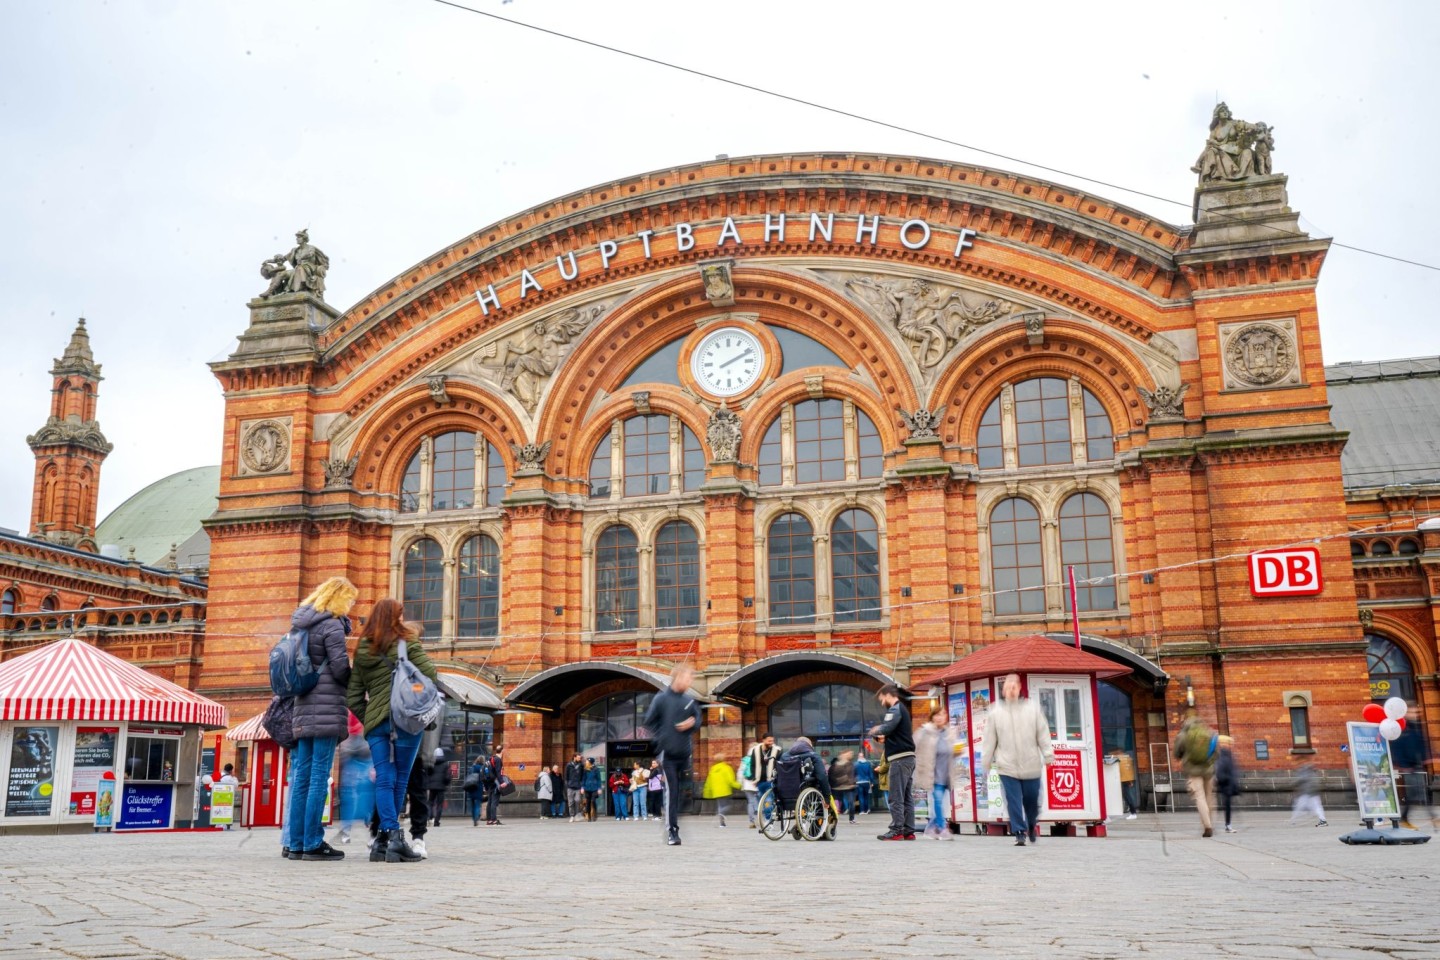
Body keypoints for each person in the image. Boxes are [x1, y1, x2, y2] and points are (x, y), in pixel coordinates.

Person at [345, 596, 438, 863]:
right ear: (396, 617)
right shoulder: (407, 640)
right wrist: (415, 694)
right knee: (400, 779)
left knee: (385, 778)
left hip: (378, 725)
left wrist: (372, 717)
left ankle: (383, 841)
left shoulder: (363, 649)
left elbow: (353, 697)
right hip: (407, 722)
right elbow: (429, 675)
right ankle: (394, 838)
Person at [287, 576, 357, 862]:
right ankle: (313, 842)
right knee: (318, 777)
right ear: (339, 598)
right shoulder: (331, 625)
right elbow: (340, 667)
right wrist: (355, 683)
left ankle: (296, 843)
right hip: (326, 707)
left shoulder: (300, 624)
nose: (351, 605)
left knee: (301, 777)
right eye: (350, 599)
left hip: (302, 705)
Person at [982, 674, 1054, 847]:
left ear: (1020, 687)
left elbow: (1042, 733)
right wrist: (986, 761)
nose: (1011, 689)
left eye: (1014, 685)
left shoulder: (1032, 708)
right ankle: (1019, 832)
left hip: (1031, 764)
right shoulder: (995, 711)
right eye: (1008, 686)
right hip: (1007, 765)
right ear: (1004, 689)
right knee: (1013, 800)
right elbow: (989, 739)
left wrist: (1048, 754)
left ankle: (1031, 823)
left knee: (1031, 800)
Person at [641, 663, 702, 846]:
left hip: (685, 754)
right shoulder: (661, 699)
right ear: (677, 678)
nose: (689, 681)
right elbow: (649, 722)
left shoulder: (688, 700)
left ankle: (671, 819)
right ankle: (672, 831)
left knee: (682, 795)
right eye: (687, 678)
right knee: (672, 792)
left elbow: (698, 719)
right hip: (668, 755)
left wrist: (692, 724)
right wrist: (663, 738)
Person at [869, 684, 916, 841]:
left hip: (900, 759)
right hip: (909, 758)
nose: (882, 703)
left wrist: (876, 730)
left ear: (887, 695)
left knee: (896, 796)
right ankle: (908, 830)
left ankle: (896, 830)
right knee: (906, 797)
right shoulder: (903, 710)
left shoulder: (895, 709)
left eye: (882, 699)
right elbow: (894, 733)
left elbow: (887, 727)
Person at [1173, 709, 1219, 838]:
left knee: (1200, 798)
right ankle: (1211, 823)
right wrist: (1209, 761)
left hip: (1193, 771)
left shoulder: (1183, 734)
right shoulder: (1208, 732)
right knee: (1210, 797)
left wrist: (1184, 756)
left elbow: (1177, 753)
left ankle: (1207, 826)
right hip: (1208, 770)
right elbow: (1217, 753)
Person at [916, 709, 956, 840]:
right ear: (932, 717)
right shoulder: (925, 732)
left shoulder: (949, 733)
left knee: (940, 804)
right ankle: (942, 828)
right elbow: (915, 748)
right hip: (932, 774)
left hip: (946, 775)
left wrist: (958, 751)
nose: (940, 717)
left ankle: (929, 829)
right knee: (938, 802)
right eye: (937, 715)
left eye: (943, 715)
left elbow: (952, 751)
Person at [333, 715, 373, 845]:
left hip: (356, 748)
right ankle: (370, 827)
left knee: (352, 793)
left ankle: (347, 831)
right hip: (364, 748)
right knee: (365, 791)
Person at [1392, 706, 1434, 829]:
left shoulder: (1416, 729)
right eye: (1412, 712)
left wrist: (1427, 758)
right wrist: (1403, 765)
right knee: (1413, 795)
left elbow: (1422, 745)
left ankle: (1432, 816)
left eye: (1416, 712)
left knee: (1420, 793)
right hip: (1409, 767)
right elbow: (1397, 748)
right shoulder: (1403, 730)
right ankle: (1404, 818)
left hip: (1416, 766)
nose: (1415, 714)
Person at [746, 733, 779, 826]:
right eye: (769, 741)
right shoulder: (755, 750)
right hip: (760, 782)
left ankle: (769, 821)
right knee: (762, 802)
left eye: (772, 741)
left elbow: (780, 764)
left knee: (768, 801)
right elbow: (752, 765)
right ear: (763, 740)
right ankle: (768, 817)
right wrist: (754, 778)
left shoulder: (777, 751)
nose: (771, 743)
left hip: (771, 781)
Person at [1214, 735, 1242, 834]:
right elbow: (1220, 773)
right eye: (1229, 743)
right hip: (1226, 786)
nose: (1231, 745)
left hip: (1229, 785)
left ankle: (1227, 825)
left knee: (1227, 807)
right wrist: (1229, 779)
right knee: (1226, 807)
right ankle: (1227, 825)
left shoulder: (1227, 755)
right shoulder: (1224, 756)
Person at [702, 757, 741, 827]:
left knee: (720, 806)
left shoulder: (713, 769)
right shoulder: (726, 768)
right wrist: (739, 786)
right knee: (729, 805)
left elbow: (708, 782)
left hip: (716, 792)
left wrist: (707, 792)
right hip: (725, 791)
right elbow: (730, 781)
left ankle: (722, 824)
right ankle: (721, 813)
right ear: (723, 760)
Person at [1290, 761, 1327, 826]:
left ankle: (1293, 820)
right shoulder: (1313, 773)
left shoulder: (1305, 773)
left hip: (1306, 792)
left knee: (1299, 806)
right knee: (1317, 806)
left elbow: (1299, 780)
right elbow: (1317, 783)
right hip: (1314, 792)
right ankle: (1323, 820)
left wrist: (1293, 785)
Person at [829, 750, 858, 825]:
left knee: (851, 803)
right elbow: (831, 776)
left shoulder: (850, 764)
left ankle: (852, 818)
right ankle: (832, 817)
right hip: (838, 787)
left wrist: (853, 782)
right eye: (849, 754)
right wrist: (845, 779)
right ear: (842, 755)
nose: (851, 755)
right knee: (835, 803)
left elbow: (853, 775)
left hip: (849, 786)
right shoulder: (835, 765)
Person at [1109, 749, 1139, 819]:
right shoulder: (1127, 758)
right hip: (1126, 779)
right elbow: (1129, 769)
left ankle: (1133, 812)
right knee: (1127, 796)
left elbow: (1124, 770)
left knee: (1127, 796)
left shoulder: (1120, 759)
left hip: (1124, 779)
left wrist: (1129, 781)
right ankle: (1132, 812)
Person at [426, 749, 452, 827]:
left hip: (432, 787)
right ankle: (436, 821)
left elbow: (428, 773)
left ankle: (430, 817)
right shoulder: (446, 764)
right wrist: (446, 783)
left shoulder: (431, 763)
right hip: (441, 787)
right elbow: (447, 777)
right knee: (439, 804)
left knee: (430, 803)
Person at [483, 744, 506, 825]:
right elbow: (498, 772)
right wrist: (502, 782)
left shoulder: (491, 758)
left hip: (489, 783)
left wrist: (485, 786)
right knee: (494, 802)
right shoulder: (498, 760)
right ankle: (494, 819)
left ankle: (489, 820)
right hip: (495, 783)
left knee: (490, 802)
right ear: (502, 751)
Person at [218, 763, 240, 831]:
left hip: (218, 796)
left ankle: (218, 824)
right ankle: (224, 825)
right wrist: (234, 777)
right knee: (226, 811)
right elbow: (236, 785)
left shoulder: (220, 774)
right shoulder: (229, 778)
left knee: (219, 810)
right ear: (231, 770)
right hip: (227, 797)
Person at [564, 753, 585, 822]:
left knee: (578, 800)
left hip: (578, 786)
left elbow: (583, 776)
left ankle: (577, 814)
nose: (580, 759)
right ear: (574, 757)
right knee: (571, 802)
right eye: (579, 758)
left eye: (580, 758)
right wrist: (567, 784)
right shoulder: (569, 765)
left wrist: (582, 786)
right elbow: (566, 776)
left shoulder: (581, 765)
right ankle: (572, 815)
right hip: (570, 787)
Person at [467, 755, 487, 826]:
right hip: (478, 787)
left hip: (471, 787)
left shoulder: (472, 767)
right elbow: (484, 778)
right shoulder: (482, 768)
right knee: (477, 805)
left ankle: (473, 818)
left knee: (472, 804)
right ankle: (476, 818)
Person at [582, 757, 602, 821]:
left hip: (594, 788)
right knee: (588, 802)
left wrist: (599, 788)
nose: (586, 762)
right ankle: (589, 816)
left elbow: (599, 779)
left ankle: (595, 815)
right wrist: (582, 787)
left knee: (593, 801)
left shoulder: (596, 769)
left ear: (590, 762)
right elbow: (583, 779)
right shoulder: (585, 769)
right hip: (587, 788)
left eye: (587, 761)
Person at [874, 738, 890, 812]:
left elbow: (888, 763)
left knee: (891, 803)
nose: (880, 741)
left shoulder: (888, 749)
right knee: (890, 802)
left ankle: (897, 821)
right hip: (886, 780)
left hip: (888, 780)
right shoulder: (886, 749)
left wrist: (879, 769)